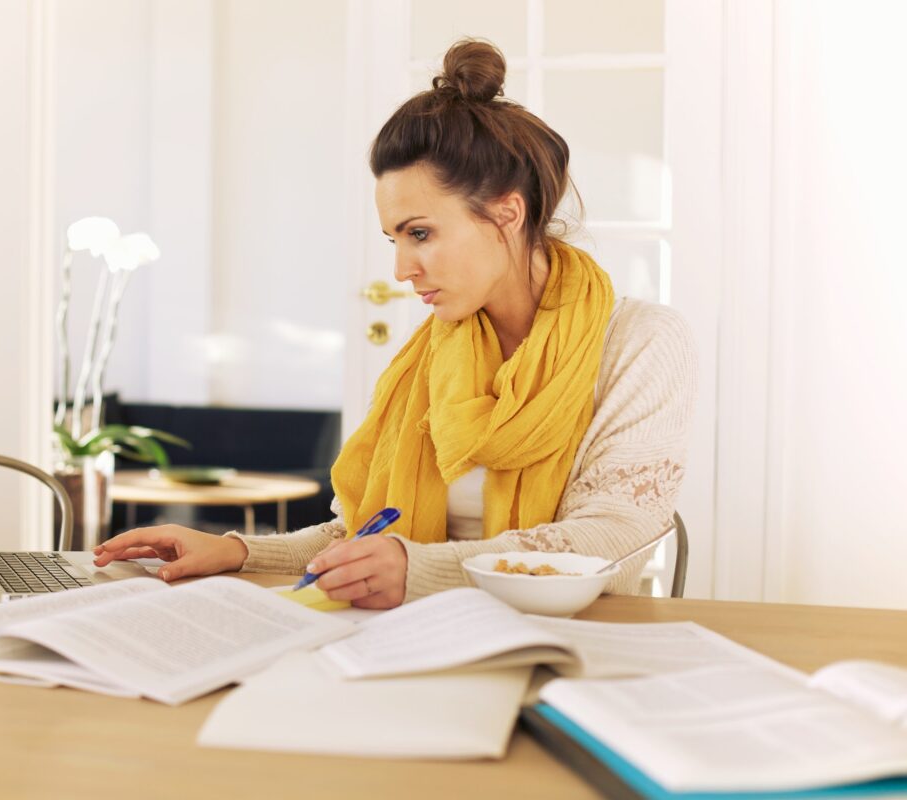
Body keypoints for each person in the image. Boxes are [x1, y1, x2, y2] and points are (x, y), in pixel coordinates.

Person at [93, 39, 697, 609]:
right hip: (411, 634)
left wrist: (418, 573)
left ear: (508, 213)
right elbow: (366, 535)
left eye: (421, 233)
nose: (403, 268)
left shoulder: (642, 344)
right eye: (394, 238)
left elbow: (611, 541)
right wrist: (238, 550)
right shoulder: (436, 356)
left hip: (567, 644)